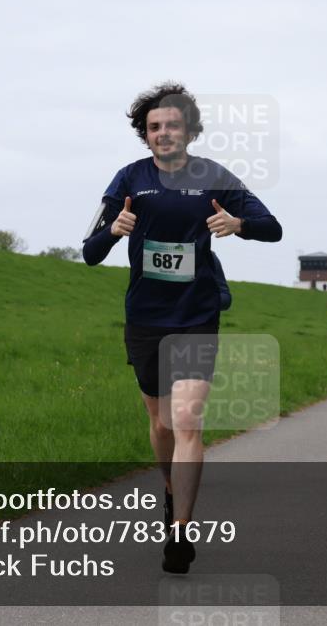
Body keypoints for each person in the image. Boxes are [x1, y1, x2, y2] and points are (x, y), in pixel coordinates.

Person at [82, 83, 282, 573]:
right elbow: (89, 251)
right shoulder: (128, 179)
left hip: (196, 316)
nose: (163, 133)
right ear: (144, 135)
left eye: (172, 125)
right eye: (154, 127)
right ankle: (170, 491)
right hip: (146, 318)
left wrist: (238, 225)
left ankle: (181, 531)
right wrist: (113, 231)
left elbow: (272, 226)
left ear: (189, 130)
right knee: (162, 423)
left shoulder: (214, 176)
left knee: (188, 420)